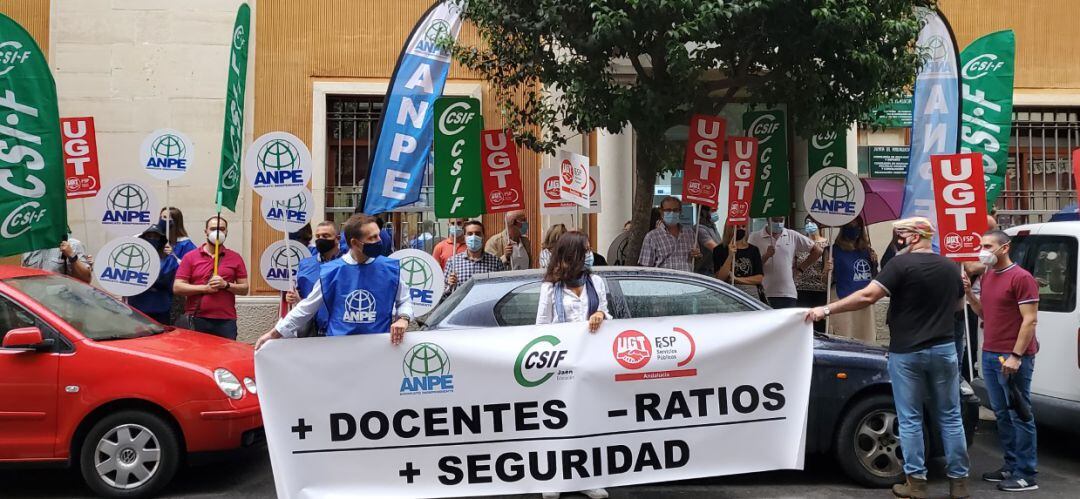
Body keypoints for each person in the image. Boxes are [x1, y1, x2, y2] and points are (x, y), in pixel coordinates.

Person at [805, 217, 969, 499]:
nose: (897, 241)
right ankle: (959, 483)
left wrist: (827, 310)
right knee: (951, 416)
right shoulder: (950, 267)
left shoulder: (900, 265)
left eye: (900, 235)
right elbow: (957, 305)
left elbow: (868, 296)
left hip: (907, 352)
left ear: (915, 237)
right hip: (944, 350)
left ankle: (916, 483)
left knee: (910, 417)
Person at [256, 214, 413, 347]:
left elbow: (404, 300)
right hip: (338, 349)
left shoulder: (391, 269)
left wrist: (403, 319)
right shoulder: (330, 272)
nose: (379, 240)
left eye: (378, 235)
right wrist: (274, 333)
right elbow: (306, 307)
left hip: (378, 346)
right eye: (372, 237)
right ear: (355, 243)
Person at [535, 230, 610, 499]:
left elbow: (605, 311)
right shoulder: (550, 287)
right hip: (559, 363)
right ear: (573, 254)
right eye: (586, 249)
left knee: (586, 419)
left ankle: (585, 477)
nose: (591, 254)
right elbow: (541, 327)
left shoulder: (596, 281)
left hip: (589, 361)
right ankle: (554, 478)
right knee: (556, 421)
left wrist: (600, 314)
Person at [964, 230, 1040, 492]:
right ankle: (1011, 465)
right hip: (991, 353)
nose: (982, 251)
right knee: (1002, 414)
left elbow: (1029, 320)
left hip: (1014, 356)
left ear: (1004, 247)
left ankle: (1026, 473)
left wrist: (1017, 356)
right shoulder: (987, 276)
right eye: (981, 246)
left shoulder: (1021, 278)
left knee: (1020, 414)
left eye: (987, 246)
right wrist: (971, 297)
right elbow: (986, 313)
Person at [173, 216, 250, 340]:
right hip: (196, 318)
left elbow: (244, 289)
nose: (218, 232)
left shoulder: (235, 257)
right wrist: (205, 288)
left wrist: (226, 285)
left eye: (222, 229)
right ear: (206, 232)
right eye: (213, 229)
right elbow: (178, 287)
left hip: (225, 321)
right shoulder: (190, 257)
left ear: (226, 232)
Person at [747, 216, 822, 308]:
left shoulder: (792, 235)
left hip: (787, 294)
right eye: (775, 220)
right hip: (762, 293)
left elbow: (817, 251)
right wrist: (766, 256)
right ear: (768, 219)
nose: (778, 223)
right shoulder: (754, 237)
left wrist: (800, 269)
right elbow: (750, 265)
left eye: (781, 220)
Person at [285, 221, 342, 336]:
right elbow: (300, 293)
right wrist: (293, 297)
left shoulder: (345, 264)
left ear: (337, 238)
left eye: (326, 236)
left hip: (338, 328)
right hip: (311, 328)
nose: (321, 239)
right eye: (318, 236)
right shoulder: (305, 264)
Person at [829, 217, 878, 343]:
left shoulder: (867, 251)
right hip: (842, 297)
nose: (854, 230)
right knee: (844, 337)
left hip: (864, 300)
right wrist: (826, 270)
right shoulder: (832, 251)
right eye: (849, 227)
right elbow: (825, 282)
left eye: (857, 227)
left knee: (866, 337)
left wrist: (874, 263)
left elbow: (875, 278)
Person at [128, 225, 180, 325]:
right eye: (149, 236)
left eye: (155, 237)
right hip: (137, 308)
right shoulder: (133, 259)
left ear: (161, 239)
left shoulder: (169, 260)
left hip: (161, 308)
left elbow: (169, 283)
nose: (152, 239)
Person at [638, 196, 701, 272]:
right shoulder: (652, 237)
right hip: (664, 281)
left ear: (680, 212)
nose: (672, 213)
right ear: (661, 212)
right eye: (668, 210)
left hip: (687, 281)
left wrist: (697, 256)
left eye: (675, 210)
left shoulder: (690, 233)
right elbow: (645, 268)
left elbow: (697, 259)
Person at [446, 221, 505, 294]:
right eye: (470, 234)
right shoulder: (453, 262)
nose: (473, 237)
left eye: (478, 234)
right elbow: (443, 296)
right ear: (464, 237)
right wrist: (450, 286)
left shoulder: (495, 262)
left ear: (483, 236)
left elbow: (502, 289)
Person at [22, 228, 94, 283]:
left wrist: (71, 256)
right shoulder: (29, 248)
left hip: (62, 301)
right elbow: (25, 279)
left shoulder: (72, 244)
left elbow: (86, 279)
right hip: (34, 301)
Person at [714, 226, 764, 302]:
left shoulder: (753, 250)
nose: (741, 229)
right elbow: (720, 278)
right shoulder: (719, 250)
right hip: (728, 295)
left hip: (750, 296)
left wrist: (736, 279)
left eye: (744, 226)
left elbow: (758, 278)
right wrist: (730, 255)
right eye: (737, 227)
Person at [694, 207, 722, 276]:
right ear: (704, 212)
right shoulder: (699, 229)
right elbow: (716, 248)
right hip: (704, 271)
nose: (715, 213)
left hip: (714, 269)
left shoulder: (712, 226)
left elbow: (721, 244)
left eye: (716, 210)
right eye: (713, 210)